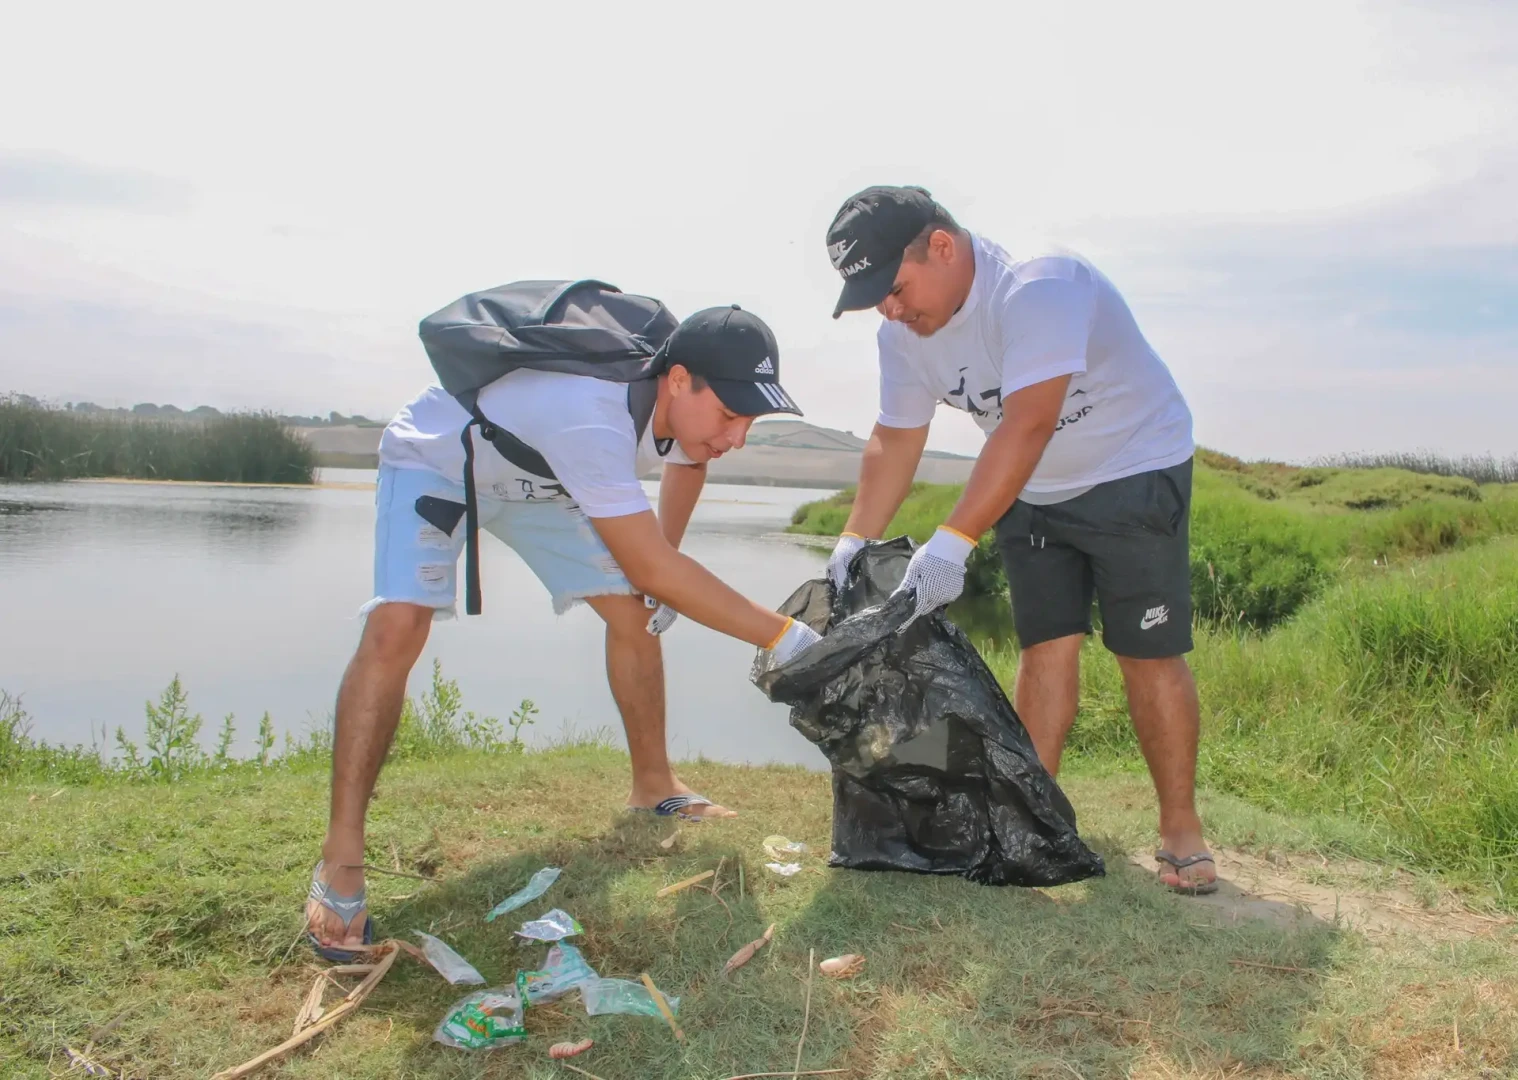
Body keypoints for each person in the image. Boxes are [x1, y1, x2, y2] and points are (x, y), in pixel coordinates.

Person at [306, 301, 822, 958]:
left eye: (749, 421)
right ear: (678, 380)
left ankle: (654, 786)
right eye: (729, 415)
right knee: (395, 628)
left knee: (632, 612)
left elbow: (685, 466)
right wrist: (783, 635)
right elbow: (650, 563)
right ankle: (341, 856)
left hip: (545, 481)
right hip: (445, 456)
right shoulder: (591, 412)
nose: (737, 437)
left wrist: (659, 559)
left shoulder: (679, 413)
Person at [822, 185, 1215, 895]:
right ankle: (1033, 818)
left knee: (1146, 654)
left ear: (942, 246)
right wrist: (855, 536)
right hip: (1030, 489)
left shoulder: (1039, 286)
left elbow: (1029, 421)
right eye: (874, 297)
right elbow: (896, 437)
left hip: (1134, 465)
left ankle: (1181, 828)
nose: (891, 308)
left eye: (895, 287)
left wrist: (951, 542)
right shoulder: (903, 336)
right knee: (1045, 650)